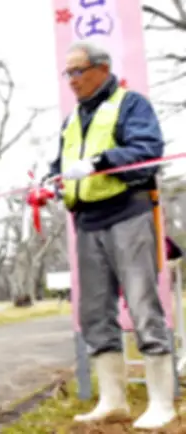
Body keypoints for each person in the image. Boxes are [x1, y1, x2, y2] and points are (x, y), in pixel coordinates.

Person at [49, 42, 174, 430]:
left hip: (129, 212)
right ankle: (113, 399)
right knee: (95, 311)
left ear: (102, 69)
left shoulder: (130, 104)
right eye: (67, 73)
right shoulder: (71, 121)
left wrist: (103, 162)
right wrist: (49, 180)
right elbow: (62, 164)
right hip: (87, 221)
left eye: (78, 70)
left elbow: (148, 149)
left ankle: (161, 401)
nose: (72, 80)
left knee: (141, 302)